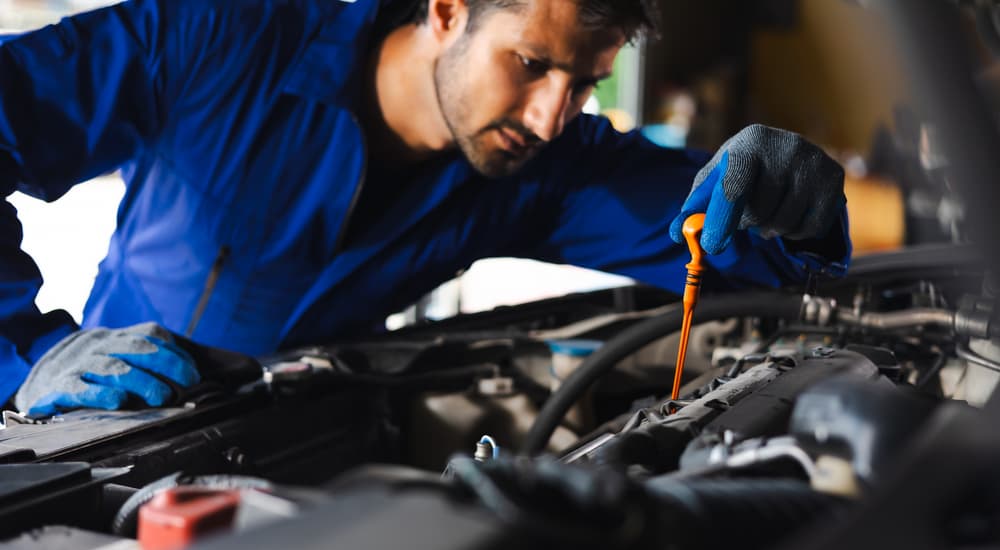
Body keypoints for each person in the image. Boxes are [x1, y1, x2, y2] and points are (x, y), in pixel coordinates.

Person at [2, 0, 850, 416]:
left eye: (584, 81)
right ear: (448, 10)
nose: (554, 116)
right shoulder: (211, 41)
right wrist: (24, 352)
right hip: (111, 434)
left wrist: (795, 203)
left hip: (317, 459)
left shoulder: (546, 165)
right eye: (531, 64)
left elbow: (748, 257)